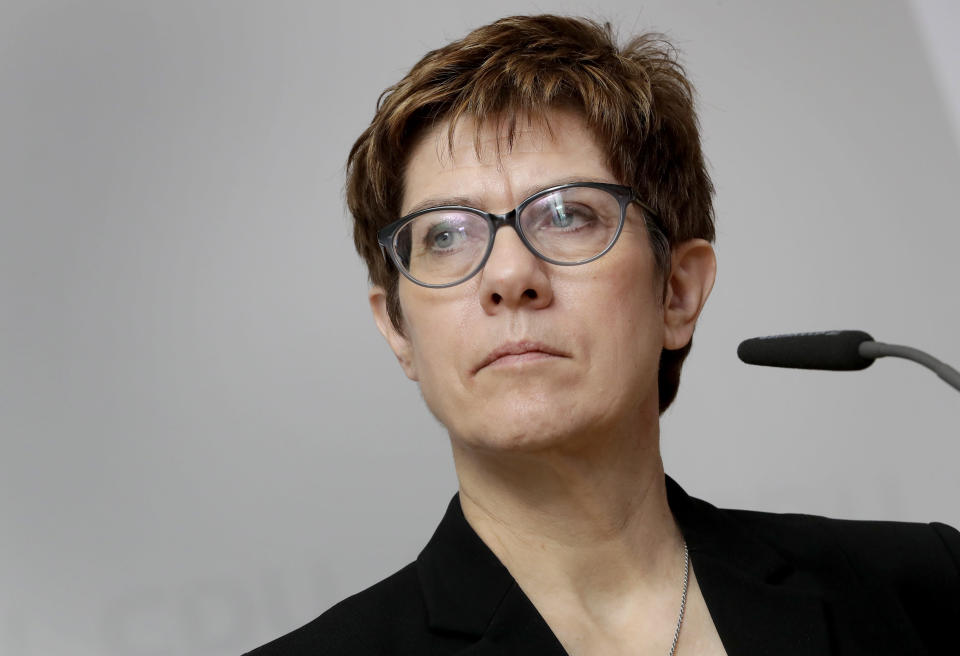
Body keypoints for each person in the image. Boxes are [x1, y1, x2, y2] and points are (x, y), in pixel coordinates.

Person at [246, 14, 960, 655]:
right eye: (445, 234)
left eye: (566, 215)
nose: (509, 275)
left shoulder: (928, 589)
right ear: (398, 329)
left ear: (677, 291)